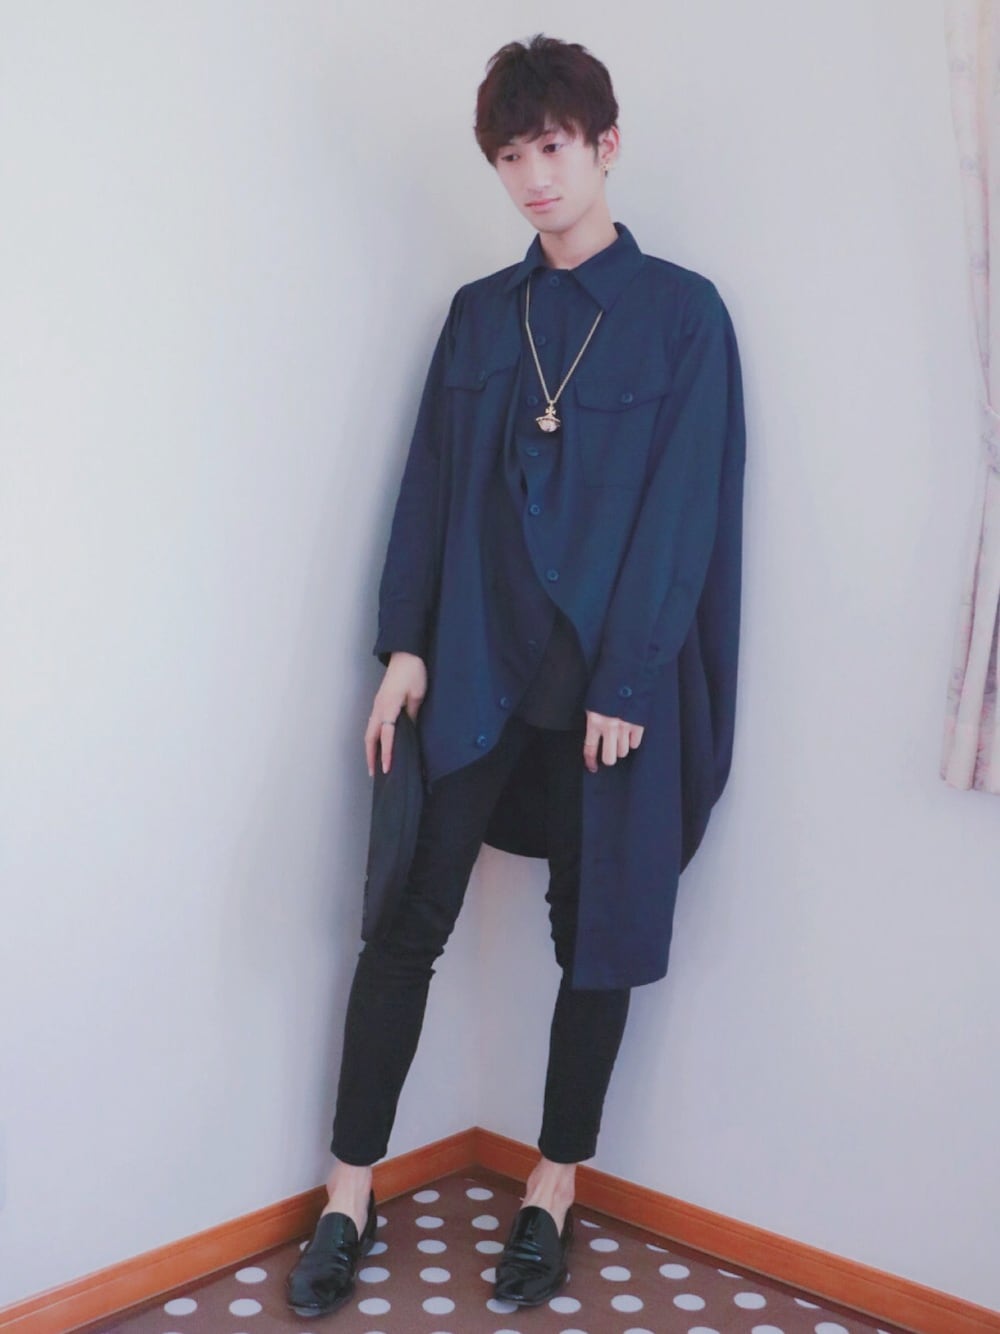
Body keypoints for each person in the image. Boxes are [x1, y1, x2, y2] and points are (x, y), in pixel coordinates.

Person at [286, 32, 746, 1319]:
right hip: (478, 667)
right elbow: (430, 484)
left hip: (603, 694)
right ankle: (346, 1194)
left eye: (552, 147)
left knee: (593, 939)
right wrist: (406, 646)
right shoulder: (480, 316)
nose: (533, 177)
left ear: (605, 145)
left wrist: (632, 681)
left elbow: (685, 515)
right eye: (508, 156)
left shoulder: (683, 317)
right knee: (404, 918)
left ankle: (551, 1187)